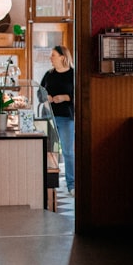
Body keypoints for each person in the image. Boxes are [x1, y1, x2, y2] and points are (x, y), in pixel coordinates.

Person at [42, 45, 75, 194]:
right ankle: (47, 184)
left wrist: (65, 97)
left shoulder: (73, 75)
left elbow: (79, 95)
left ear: (63, 57)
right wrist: (45, 97)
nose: (51, 58)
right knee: (48, 151)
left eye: (53, 55)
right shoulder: (49, 74)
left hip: (66, 118)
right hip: (48, 117)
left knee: (68, 152)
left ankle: (72, 185)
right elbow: (39, 92)